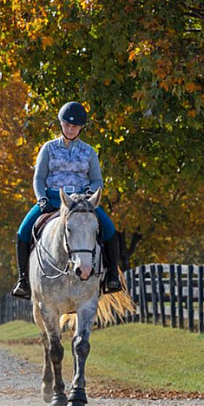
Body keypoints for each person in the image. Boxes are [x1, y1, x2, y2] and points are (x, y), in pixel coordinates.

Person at [11, 101, 122, 299]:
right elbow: (39, 177)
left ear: (81, 128)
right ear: (61, 124)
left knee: (109, 229)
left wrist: (90, 191)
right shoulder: (48, 149)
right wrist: (42, 199)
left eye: (75, 126)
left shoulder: (89, 152)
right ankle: (23, 280)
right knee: (23, 231)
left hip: (81, 202)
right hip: (53, 199)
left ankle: (112, 276)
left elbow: (97, 179)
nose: (70, 129)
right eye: (67, 125)